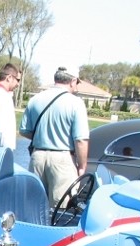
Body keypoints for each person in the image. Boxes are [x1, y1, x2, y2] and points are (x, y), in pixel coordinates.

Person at [19, 67, 90, 205]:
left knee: (34, 205)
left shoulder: (35, 99)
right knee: (61, 207)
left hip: (37, 157)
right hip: (62, 159)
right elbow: (81, 140)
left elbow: (24, 130)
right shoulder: (76, 103)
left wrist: (43, 136)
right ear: (72, 81)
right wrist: (82, 166)